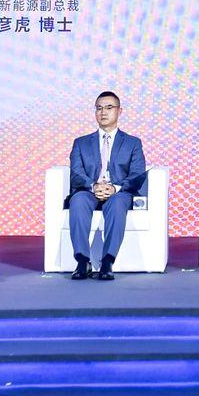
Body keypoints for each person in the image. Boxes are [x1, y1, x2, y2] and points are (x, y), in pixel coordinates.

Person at [65, 91, 147, 281]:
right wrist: (93, 186)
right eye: (99, 108)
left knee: (117, 204)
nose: (103, 112)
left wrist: (115, 188)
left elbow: (137, 173)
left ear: (119, 111)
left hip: (119, 192)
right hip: (89, 190)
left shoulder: (133, 143)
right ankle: (82, 261)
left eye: (109, 107)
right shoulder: (81, 143)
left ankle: (107, 261)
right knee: (78, 201)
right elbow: (76, 172)